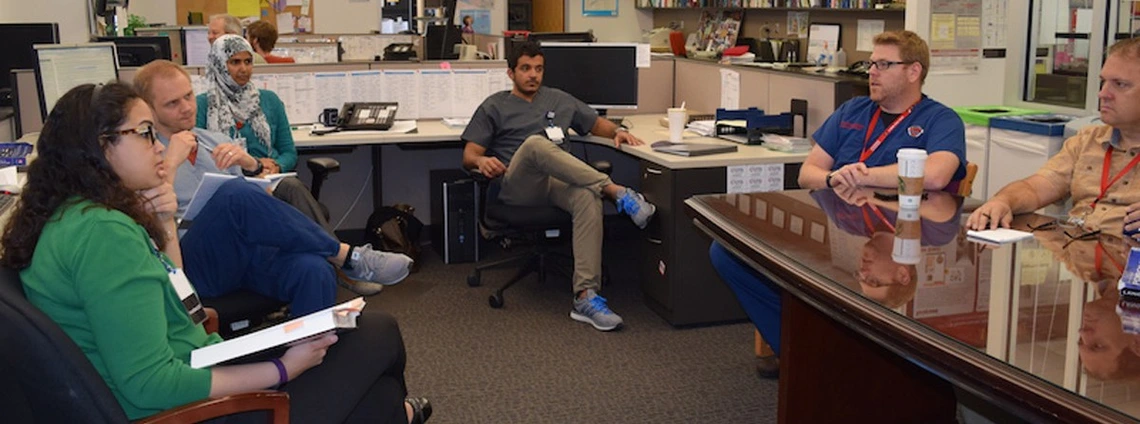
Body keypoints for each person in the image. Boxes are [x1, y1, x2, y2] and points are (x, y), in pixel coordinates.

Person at [0, 82, 431, 424]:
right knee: (379, 334)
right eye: (145, 133)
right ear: (100, 145)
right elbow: (149, 385)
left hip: (195, 361)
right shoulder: (103, 233)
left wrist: (164, 220)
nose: (157, 145)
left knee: (376, 391)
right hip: (185, 409)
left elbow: (180, 300)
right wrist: (284, 370)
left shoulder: (70, 214)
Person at [709, 30, 968, 377]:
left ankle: (818, 362)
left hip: (903, 220)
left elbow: (936, 175)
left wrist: (863, 176)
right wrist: (833, 179)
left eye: (883, 64)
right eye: (872, 63)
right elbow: (808, 173)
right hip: (842, 226)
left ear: (913, 71)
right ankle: (804, 355)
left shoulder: (941, 119)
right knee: (725, 252)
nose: (872, 72)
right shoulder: (854, 110)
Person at [134, 59, 413, 308]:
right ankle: (345, 255)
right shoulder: (140, 156)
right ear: (148, 110)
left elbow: (256, 203)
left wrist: (250, 165)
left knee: (313, 270)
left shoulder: (213, 141)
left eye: (188, 96)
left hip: (244, 254)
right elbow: (144, 225)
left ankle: (310, 356)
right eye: (173, 103)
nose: (186, 108)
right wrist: (169, 164)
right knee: (233, 194)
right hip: (194, 263)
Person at [462, 41, 656, 331]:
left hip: (557, 184)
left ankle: (585, 296)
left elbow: (594, 123)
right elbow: (469, 155)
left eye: (538, 69)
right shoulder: (495, 105)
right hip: (517, 186)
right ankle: (615, 191)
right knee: (535, 144)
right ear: (510, 73)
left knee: (587, 196)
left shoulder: (560, 99)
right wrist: (481, 162)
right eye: (525, 68)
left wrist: (618, 131)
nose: (533, 75)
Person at [967, 37, 1140, 236]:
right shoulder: (1087, 140)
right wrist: (1002, 201)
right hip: (1079, 256)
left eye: (1120, 84)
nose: (1103, 94)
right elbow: (1035, 188)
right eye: (1103, 82)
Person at [198, 35, 294, 175]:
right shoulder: (203, 105)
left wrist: (277, 166)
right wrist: (255, 165)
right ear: (219, 65)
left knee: (293, 189)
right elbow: (201, 157)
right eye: (235, 62)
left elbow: (289, 152)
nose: (244, 69)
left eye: (248, 62)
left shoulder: (269, 100)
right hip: (228, 179)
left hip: (269, 176)